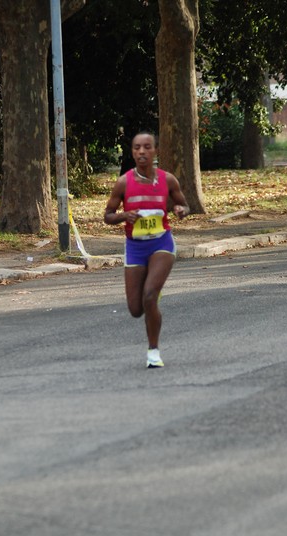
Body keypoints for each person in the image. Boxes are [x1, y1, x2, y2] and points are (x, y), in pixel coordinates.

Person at [104, 131, 190, 368]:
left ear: (155, 151)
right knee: (135, 309)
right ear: (132, 152)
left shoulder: (168, 180)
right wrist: (123, 215)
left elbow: (183, 204)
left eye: (147, 147)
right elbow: (107, 216)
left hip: (162, 242)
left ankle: (153, 352)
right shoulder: (123, 183)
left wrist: (181, 210)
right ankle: (149, 297)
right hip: (135, 247)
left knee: (150, 296)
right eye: (137, 148)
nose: (141, 152)